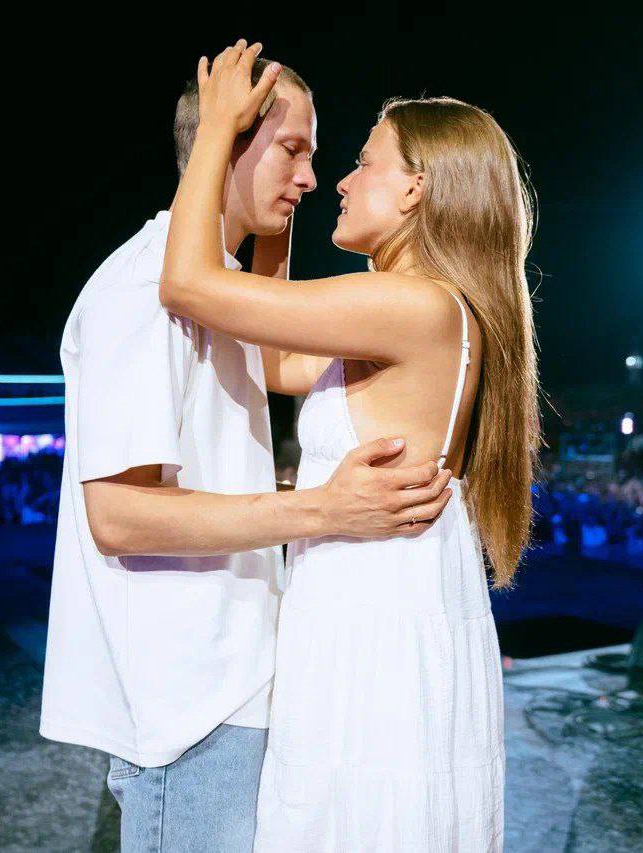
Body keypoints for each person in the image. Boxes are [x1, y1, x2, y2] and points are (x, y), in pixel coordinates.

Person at [39, 54, 454, 852]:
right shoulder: (142, 290)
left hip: (229, 683)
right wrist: (323, 509)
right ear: (224, 140)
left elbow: (270, 356)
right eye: (292, 149)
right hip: (189, 701)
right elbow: (117, 515)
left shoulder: (218, 289)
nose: (311, 178)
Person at [163, 40, 542, 851]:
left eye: (364, 163)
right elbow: (277, 362)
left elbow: (188, 284)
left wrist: (217, 138)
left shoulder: (413, 305)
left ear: (415, 188)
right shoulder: (410, 307)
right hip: (373, 605)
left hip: (375, 627)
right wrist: (277, 220)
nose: (334, 179)